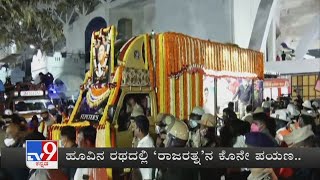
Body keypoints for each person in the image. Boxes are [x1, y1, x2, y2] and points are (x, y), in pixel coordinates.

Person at [133, 115, 154, 180]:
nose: (132, 129)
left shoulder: (146, 146)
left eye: (134, 127)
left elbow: (147, 174)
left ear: (139, 129)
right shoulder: (142, 140)